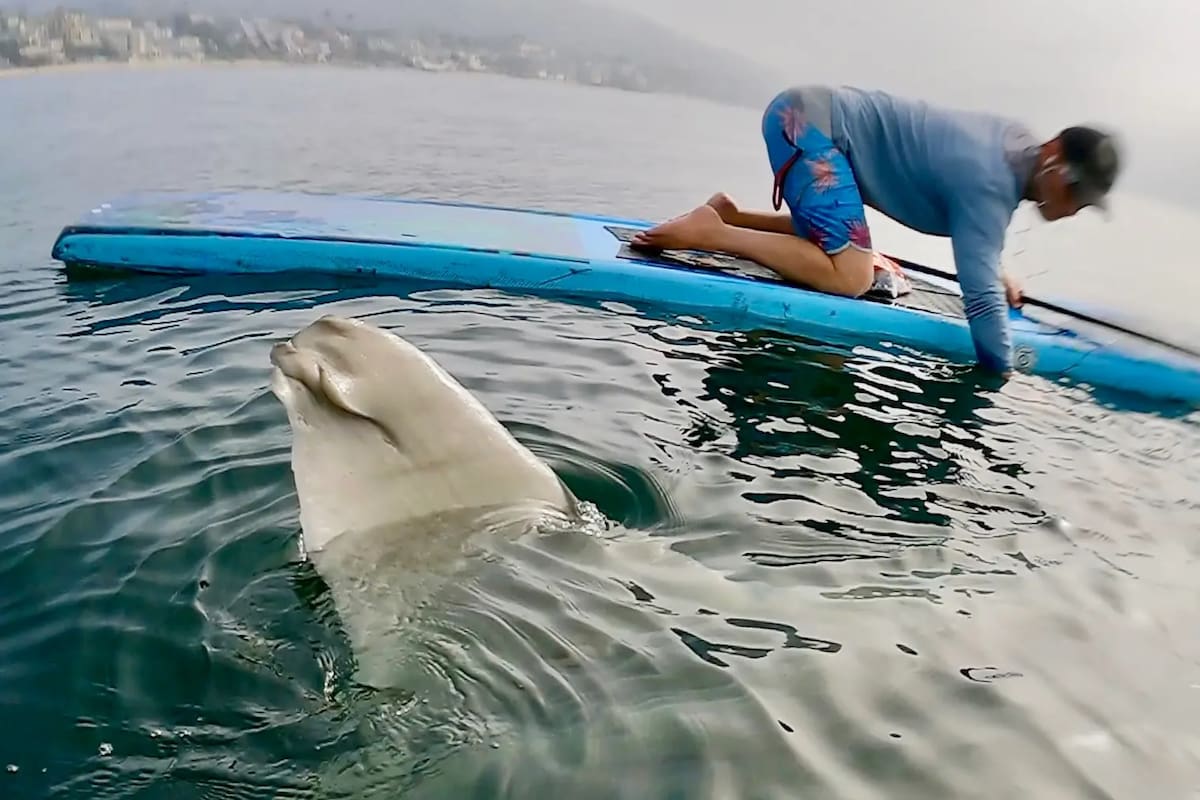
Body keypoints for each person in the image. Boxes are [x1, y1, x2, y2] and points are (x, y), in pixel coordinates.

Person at [630, 85, 1122, 377]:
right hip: (806, 126)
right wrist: (1006, 375)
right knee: (850, 275)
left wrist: (995, 273)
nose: (1076, 207)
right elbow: (980, 298)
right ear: (1054, 154)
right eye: (1077, 191)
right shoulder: (990, 181)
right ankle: (713, 232)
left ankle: (731, 215)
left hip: (810, 119)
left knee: (836, 251)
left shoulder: (1014, 151)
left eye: (1088, 202)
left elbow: (980, 243)